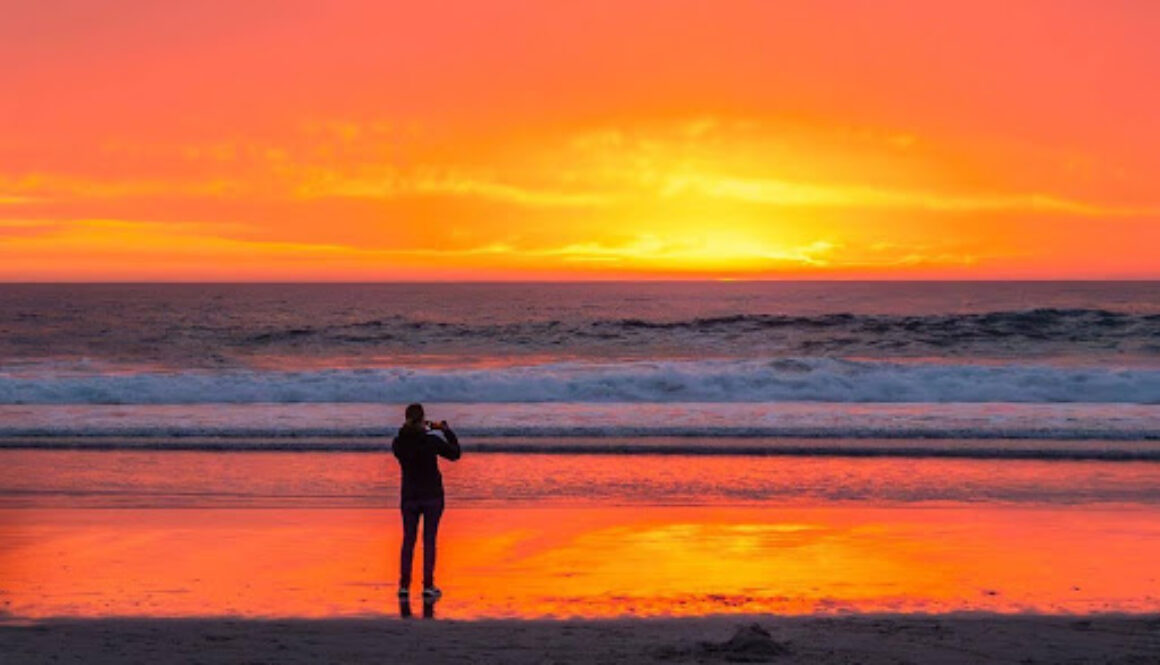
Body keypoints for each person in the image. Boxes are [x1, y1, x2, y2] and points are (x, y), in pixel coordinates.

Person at [392, 403, 461, 600]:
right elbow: (455, 453)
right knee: (429, 540)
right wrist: (446, 431)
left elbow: (407, 443)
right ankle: (428, 586)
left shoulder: (398, 442)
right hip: (432, 495)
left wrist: (421, 429)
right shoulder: (430, 440)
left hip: (409, 496)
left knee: (408, 540)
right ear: (423, 419)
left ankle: (404, 586)